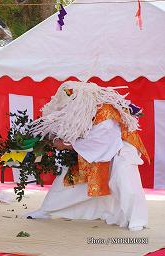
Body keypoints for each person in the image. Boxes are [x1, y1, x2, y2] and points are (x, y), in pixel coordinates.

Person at [25, 81, 149, 231]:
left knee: (125, 181)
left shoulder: (105, 112)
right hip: (96, 151)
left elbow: (101, 141)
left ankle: (137, 220)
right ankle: (46, 210)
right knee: (68, 178)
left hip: (120, 149)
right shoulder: (82, 111)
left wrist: (66, 145)